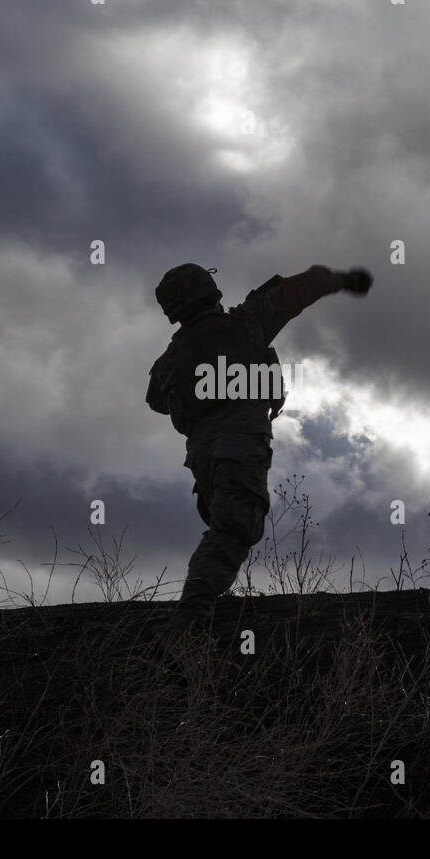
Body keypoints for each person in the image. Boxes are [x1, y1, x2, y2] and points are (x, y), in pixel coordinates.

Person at [146, 262, 372, 657]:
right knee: (233, 529)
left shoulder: (174, 353)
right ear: (210, 290)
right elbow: (295, 291)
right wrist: (344, 281)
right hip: (240, 443)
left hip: (202, 454)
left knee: (224, 526)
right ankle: (189, 620)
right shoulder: (245, 324)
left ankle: (199, 607)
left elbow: (155, 399)